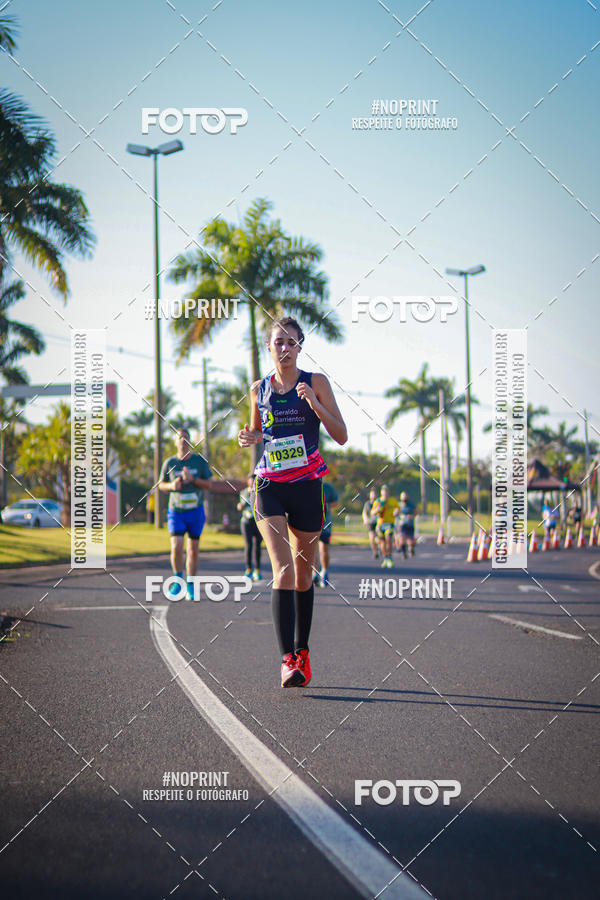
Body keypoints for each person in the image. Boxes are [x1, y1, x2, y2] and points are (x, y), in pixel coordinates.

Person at [238, 316, 347, 688]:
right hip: (269, 485)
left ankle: (303, 651)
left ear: (300, 346)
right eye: (277, 342)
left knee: (303, 574)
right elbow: (258, 431)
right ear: (268, 347)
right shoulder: (258, 389)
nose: (284, 348)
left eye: (291, 342)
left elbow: (342, 435)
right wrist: (249, 437)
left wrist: (315, 404)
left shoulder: (315, 382)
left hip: (307, 487)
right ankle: (287, 660)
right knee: (282, 570)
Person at [158, 428, 212, 600]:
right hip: (176, 512)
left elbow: (209, 484)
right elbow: (161, 485)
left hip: (195, 512)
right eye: (180, 437)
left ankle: (191, 585)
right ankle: (177, 580)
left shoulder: (199, 462)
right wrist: (172, 486)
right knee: (176, 546)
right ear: (175, 442)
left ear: (190, 442)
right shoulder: (169, 463)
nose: (183, 440)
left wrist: (193, 480)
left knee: (193, 549)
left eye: (186, 437)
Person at [313, 480, 339, 587]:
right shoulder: (308, 484)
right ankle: (315, 572)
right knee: (313, 550)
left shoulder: (328, 487)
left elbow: (336, 502)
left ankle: (324, 571)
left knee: (324, 549)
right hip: (312, 523)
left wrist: (327, 505)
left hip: (325, 524)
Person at [237, 475, 263, 581]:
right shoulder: (243, 492)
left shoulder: (260, 492)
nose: (252, 483)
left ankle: (257, 570)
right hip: (246, 521)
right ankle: (248, 570)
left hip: (257, 521)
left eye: (254, 481)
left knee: (257, 545)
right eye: (251, 481)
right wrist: (241, 505)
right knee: (248, 545)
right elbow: (239, 506)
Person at [372, 484, 399, 568]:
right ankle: (385, 558)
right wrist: (377, 510)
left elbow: (397, 508)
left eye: (386, 491)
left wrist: (396, 512)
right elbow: (372, 512)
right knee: (382, 542)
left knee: (389, 538)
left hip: (389, 523)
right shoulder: (378, 501)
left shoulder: (392, 501)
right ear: (381, 492)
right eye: (383, 491)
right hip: (381, 524)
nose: (385, 493)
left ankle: (390, 557)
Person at [397, 491, 417, 558]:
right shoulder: (398, 505)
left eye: (405, 496)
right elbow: (394, 513)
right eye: (403, 497)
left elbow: (416, 512)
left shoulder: (411, 505)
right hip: (402, 524)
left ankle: (411, 549)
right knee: (402, 538)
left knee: (410, 541)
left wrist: (412, 516)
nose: (404, 498)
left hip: (410, 524)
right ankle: (404, 553)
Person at [362, 487, 379, 559]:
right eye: (371, 495)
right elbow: (364, 513)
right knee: (372, 538)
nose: (373, 497)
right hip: (371, 523)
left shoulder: (379, 503)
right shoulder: (367, 504)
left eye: (374, 495)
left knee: (379, 538)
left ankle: (381, 548)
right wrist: (365, 520)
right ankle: (375, 552)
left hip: (379, 523)